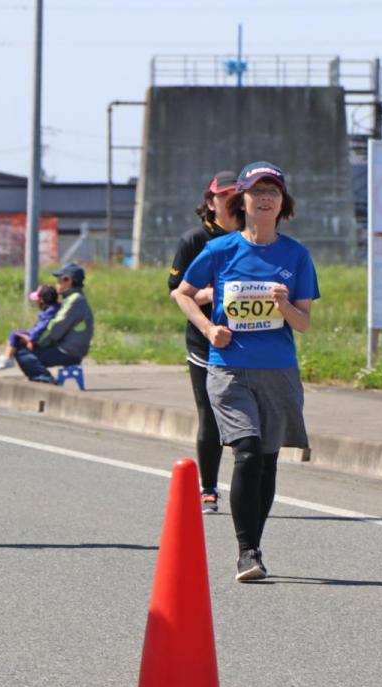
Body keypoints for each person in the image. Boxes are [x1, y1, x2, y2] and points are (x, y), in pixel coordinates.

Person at [171, 161, 319, 582]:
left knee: (268, 461)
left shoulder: (296, 254)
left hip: (278, 371)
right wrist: (207, 326)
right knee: (248, 452)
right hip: (229, 369)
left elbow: (304, 322)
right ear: (244, 201)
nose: (266, 198)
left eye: (273, 191)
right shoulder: (220, 251)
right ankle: (245, 550)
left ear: (283, 202)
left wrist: (284, 305)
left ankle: (256, 544)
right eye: (258, 191)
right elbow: (181, 293)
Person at [167, 171, 239, 513]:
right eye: (225, 196)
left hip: (248, 342)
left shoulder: (254, 237)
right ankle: (209, 488)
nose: (233, 202)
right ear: (210, 202)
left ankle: (248, 487)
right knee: (209, 416)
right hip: (204, 342)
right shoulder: (195, 240)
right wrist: (209, 295)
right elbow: (176, 291)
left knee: (248, 421)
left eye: (238, 195)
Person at [15, 262, 94, 383]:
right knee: (25, 349)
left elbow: (56, 327)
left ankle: (46, 379)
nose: (57, 284)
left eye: (59, 280)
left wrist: (35, 342)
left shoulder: (75, 301)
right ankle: (42, 377)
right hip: (69, 348)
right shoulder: (72, 299)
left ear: (68, 280)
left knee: (22, 352)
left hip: (68, 352)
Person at [0, 284, 59, 370]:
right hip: (39, 335)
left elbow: (40, 328)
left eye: (37, 300)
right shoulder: (55, 309)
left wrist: (31, 340)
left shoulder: (49, 313)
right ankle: (7, 357)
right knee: (17, 333)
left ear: (42, 300)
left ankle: (8, 358)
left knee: (14, 334)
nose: (36, 302)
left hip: (37, 338)